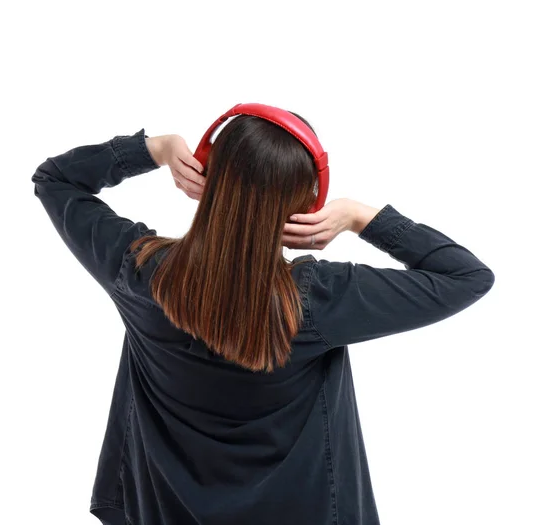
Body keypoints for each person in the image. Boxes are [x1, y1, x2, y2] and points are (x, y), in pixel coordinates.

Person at [31, 110, 495, 525]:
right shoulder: (318, 299)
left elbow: (55, 180)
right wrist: (358, 216)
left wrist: (156, 149)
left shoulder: (139, 272)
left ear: (205, 175)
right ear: (308, 204)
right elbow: (467, 276)